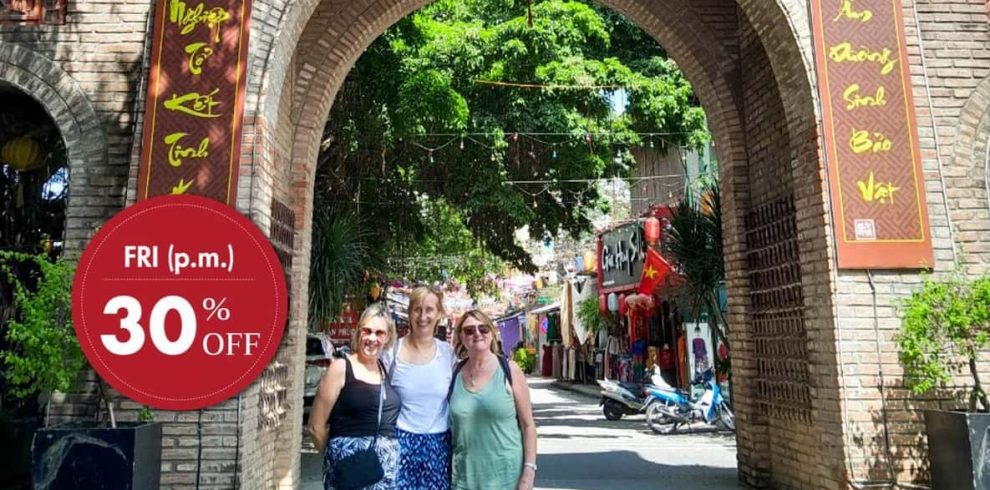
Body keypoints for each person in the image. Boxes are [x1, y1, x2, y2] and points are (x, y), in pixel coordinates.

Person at [308, 303, 401, 490]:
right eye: (367, 331)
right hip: (349, 474)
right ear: (359, 332)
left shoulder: (384, 369)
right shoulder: (340, 368)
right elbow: (315, 427)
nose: (372, 338)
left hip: (383, 475)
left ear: (388, 337)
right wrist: (340, 458)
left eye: (379, 333)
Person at [449, 310, 538, 490]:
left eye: (483, 328)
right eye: (469, 330)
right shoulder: (454, 373)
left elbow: (528, 425)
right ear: (461, 337)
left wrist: (529, 472)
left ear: (491, 333)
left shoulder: (510, 370)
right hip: (464, 479)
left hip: (506, 478)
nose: (477, 334)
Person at [382, 286, 456, 489]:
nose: (423, 316)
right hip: (400, 442)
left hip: (438, 444)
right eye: (417, 309)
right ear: (409, 313)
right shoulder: (391, 351)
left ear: (439, 314)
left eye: (429, 309)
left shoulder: (448, 355)